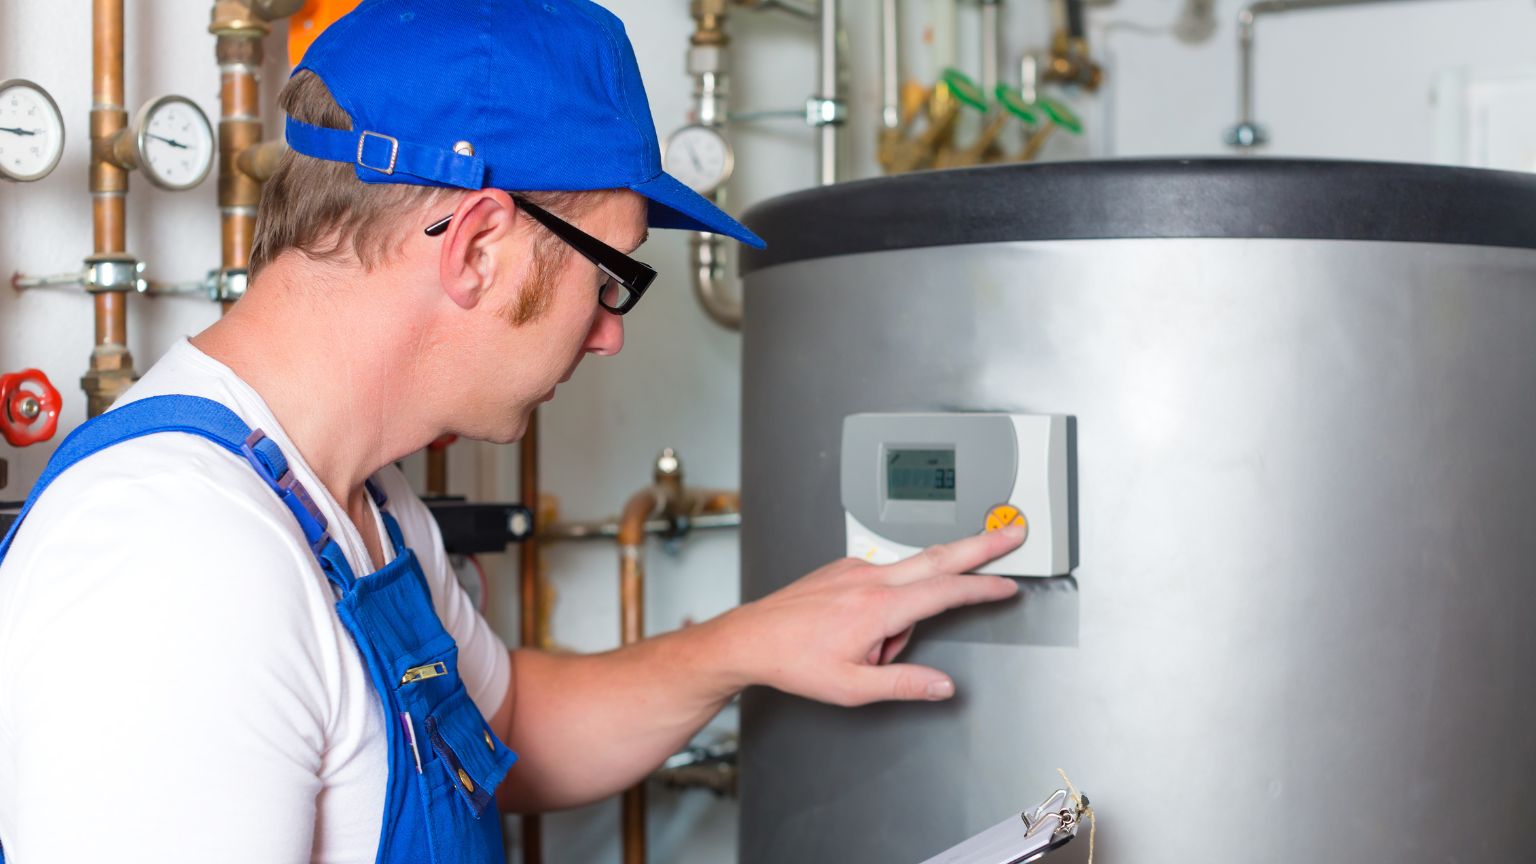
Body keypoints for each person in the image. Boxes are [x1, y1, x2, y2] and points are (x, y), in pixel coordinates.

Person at [0, 1, 1023, 860]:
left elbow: (510, 726)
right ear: (479, 247)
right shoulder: (179, 565)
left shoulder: (359, 499)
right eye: (610, 277)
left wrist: (753, 642)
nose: (610, 334)